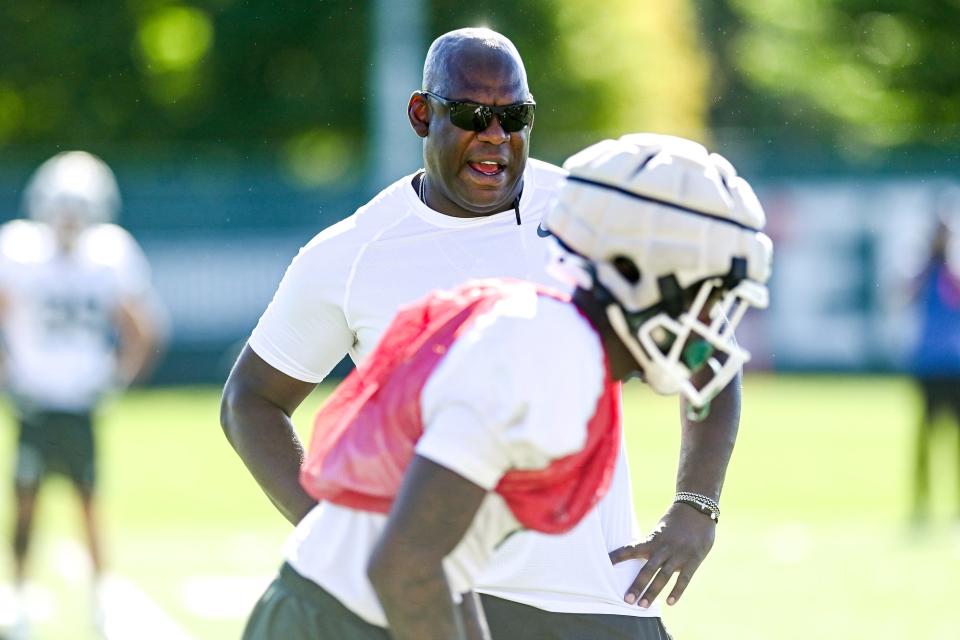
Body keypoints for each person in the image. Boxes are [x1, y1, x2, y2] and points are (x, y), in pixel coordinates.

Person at [222, 27, 749, 638]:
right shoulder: (496, 338)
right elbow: (253, 403)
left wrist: (697, 503)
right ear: (422, 115)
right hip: (381, 598)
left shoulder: (586, 218)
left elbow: (711, 355)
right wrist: (335, 532)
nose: (496, 135)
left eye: (514, 115)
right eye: (472, 114)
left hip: (583, 592)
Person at [0, 151, 160, 639]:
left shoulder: (109, 254)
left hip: (79, 400)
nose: (69, 219)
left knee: (88, 499)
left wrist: (116, 380)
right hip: (34, 398)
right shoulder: (19, 249)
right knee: (25, 499)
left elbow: (143, 329)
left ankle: (101, 599)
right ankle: (19, 592)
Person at [909, 198, 960, 523]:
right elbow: (904, 295)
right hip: (930, 365)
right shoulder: (925, 271)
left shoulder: (951, 272)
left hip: (952, 366)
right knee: (925, 440)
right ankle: (921, 502)